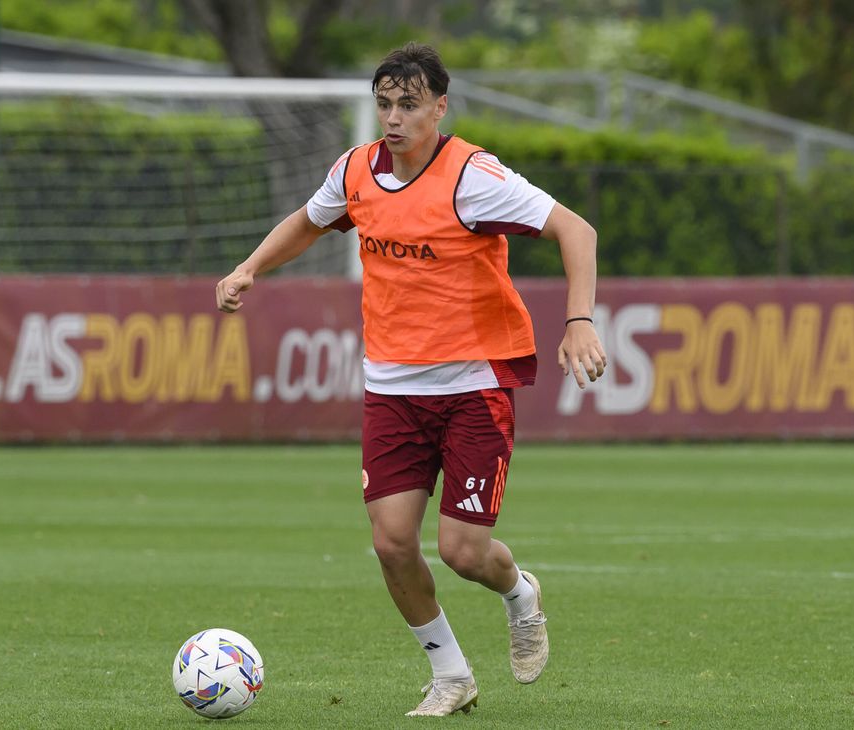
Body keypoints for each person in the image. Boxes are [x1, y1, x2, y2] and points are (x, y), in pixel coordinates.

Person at [216, 42, 607, 717]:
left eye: (408, 105)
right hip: (393, 388)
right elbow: (308, 223)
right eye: (385, 104)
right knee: (392, 543)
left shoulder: (472, 176)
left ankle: (520, 594)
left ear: (439, 107)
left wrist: (579, 321)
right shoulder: (355, 171)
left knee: (462, 552)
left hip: (473, 384)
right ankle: (451, 675)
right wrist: (250, 267)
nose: (394, 118)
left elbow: (577, 230)